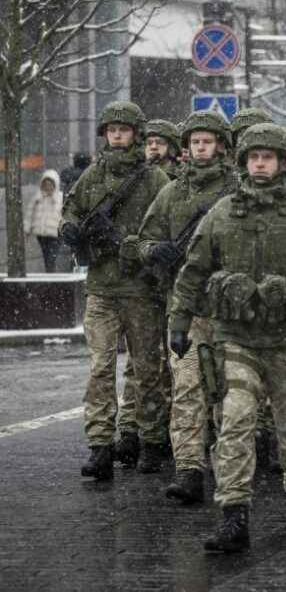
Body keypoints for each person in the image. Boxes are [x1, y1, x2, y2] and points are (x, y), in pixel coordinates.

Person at [169, 123, 286, 552]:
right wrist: (179, 322)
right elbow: (193, 271)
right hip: (237, 339)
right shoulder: (222, 213)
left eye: (268, 157)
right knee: (234, 423)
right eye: (253, 157)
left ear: (284, 163)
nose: (260, 164)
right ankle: (233, 515)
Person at [59, 101, 171, 479]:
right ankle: (100, 445)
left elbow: (168, 226)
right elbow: (72, 209)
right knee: (100, 370)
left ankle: (150, 440)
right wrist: (69, 228)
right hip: (102, 288)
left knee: (147, 370)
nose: (117, 136)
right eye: (112, 130)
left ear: (136, 134)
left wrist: (136, 246)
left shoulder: (154, 179)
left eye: (123, 130)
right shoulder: (94, 173)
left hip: (141, 289)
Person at [137, 111, 240, 505]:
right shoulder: (172, 193)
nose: (200, 148)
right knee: (187, 387)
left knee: (230, 391)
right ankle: (189, 468)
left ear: (221, 146)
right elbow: (144, 239)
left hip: (230, 308)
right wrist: (155, 251)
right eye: (195, 142)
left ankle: (229, 468)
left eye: (207, 142)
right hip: (185, 306)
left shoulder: (238, 190)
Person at [25, 170, 63, 272]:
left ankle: (51, 273)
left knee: (51, 256)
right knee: (47, 255)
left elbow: (64, 215)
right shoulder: (38, 198)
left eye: (50, 184)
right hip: (41, 233)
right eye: (46, 184)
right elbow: (30, 214)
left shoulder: (60, 198)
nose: (48, 187)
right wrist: (27, 229)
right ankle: (50, 273)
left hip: (56, 234)